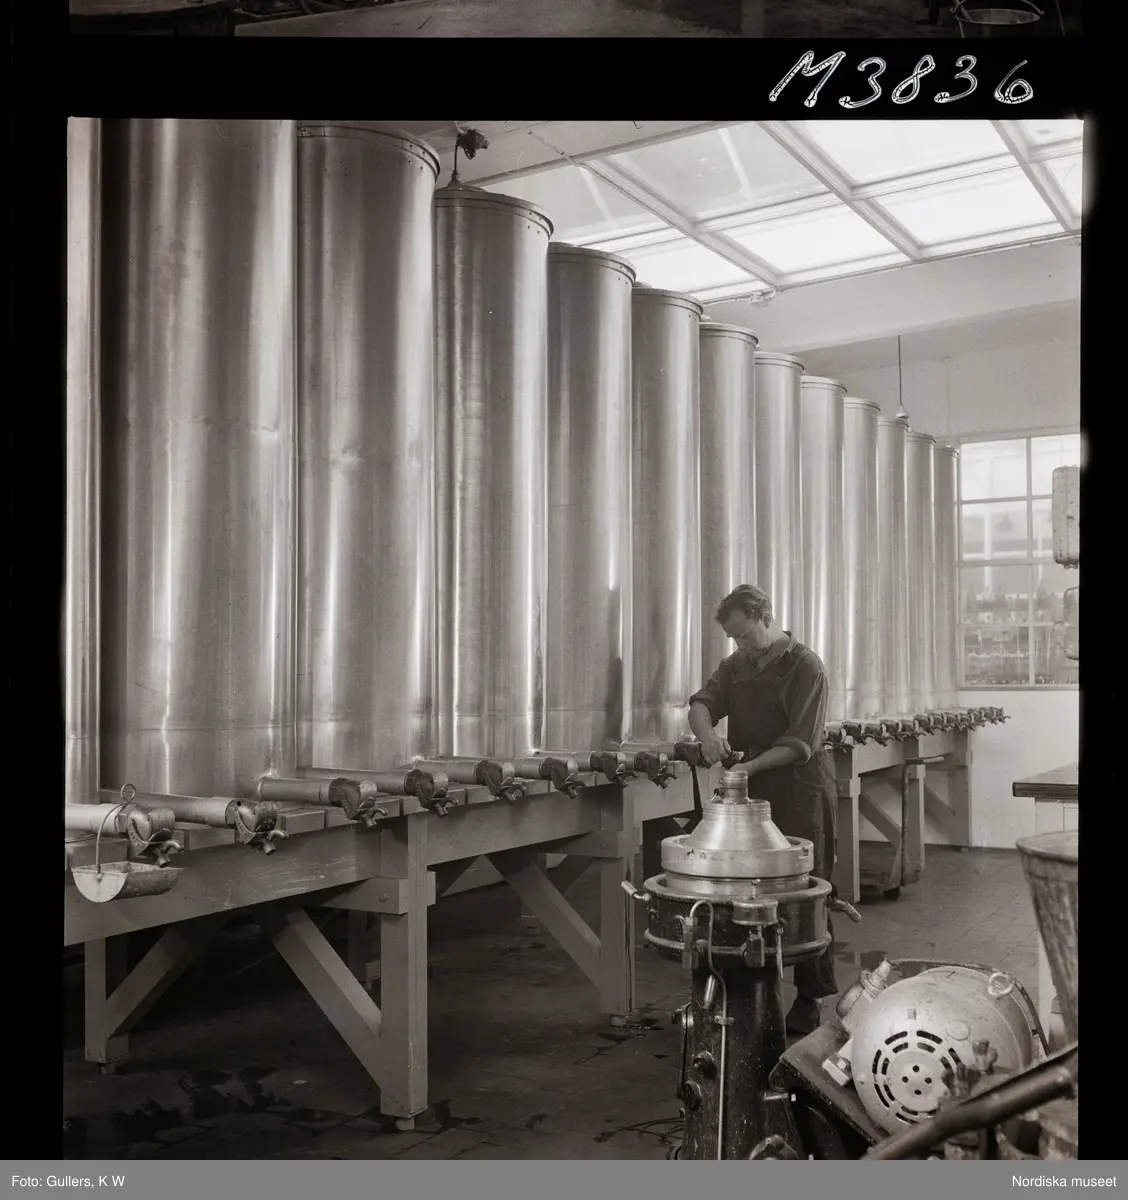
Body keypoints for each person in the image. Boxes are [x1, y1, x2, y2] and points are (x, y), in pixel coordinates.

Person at [687, 583, 838, 1035]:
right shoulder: (737, 665)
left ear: (766, 619)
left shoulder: (805, 666)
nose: (741, 645)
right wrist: (707, 736)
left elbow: (800, 743)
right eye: (733, 638)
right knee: (745, 883)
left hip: (798, 786)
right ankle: (750, 984)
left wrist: (747, 768)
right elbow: (701, 703)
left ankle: (810, 997)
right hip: (753, 787)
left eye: (746, 635)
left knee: (806, 888)